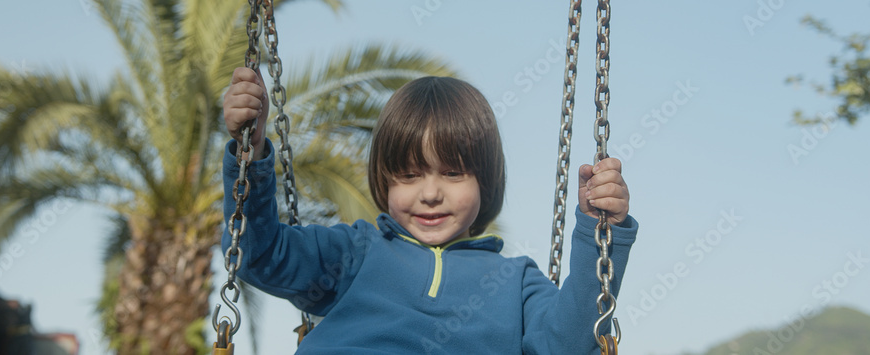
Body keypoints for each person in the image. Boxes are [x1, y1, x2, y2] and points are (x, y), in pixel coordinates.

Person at [222, 67, 637, 354]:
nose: (431, 193)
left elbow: (568, 343)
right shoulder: (355, 252)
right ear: (385, 181)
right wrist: (251, 154)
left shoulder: (517, 284)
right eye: (409, 175)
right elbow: (257, 255)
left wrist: (599, 230)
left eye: (453, 174)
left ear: (484, 183)